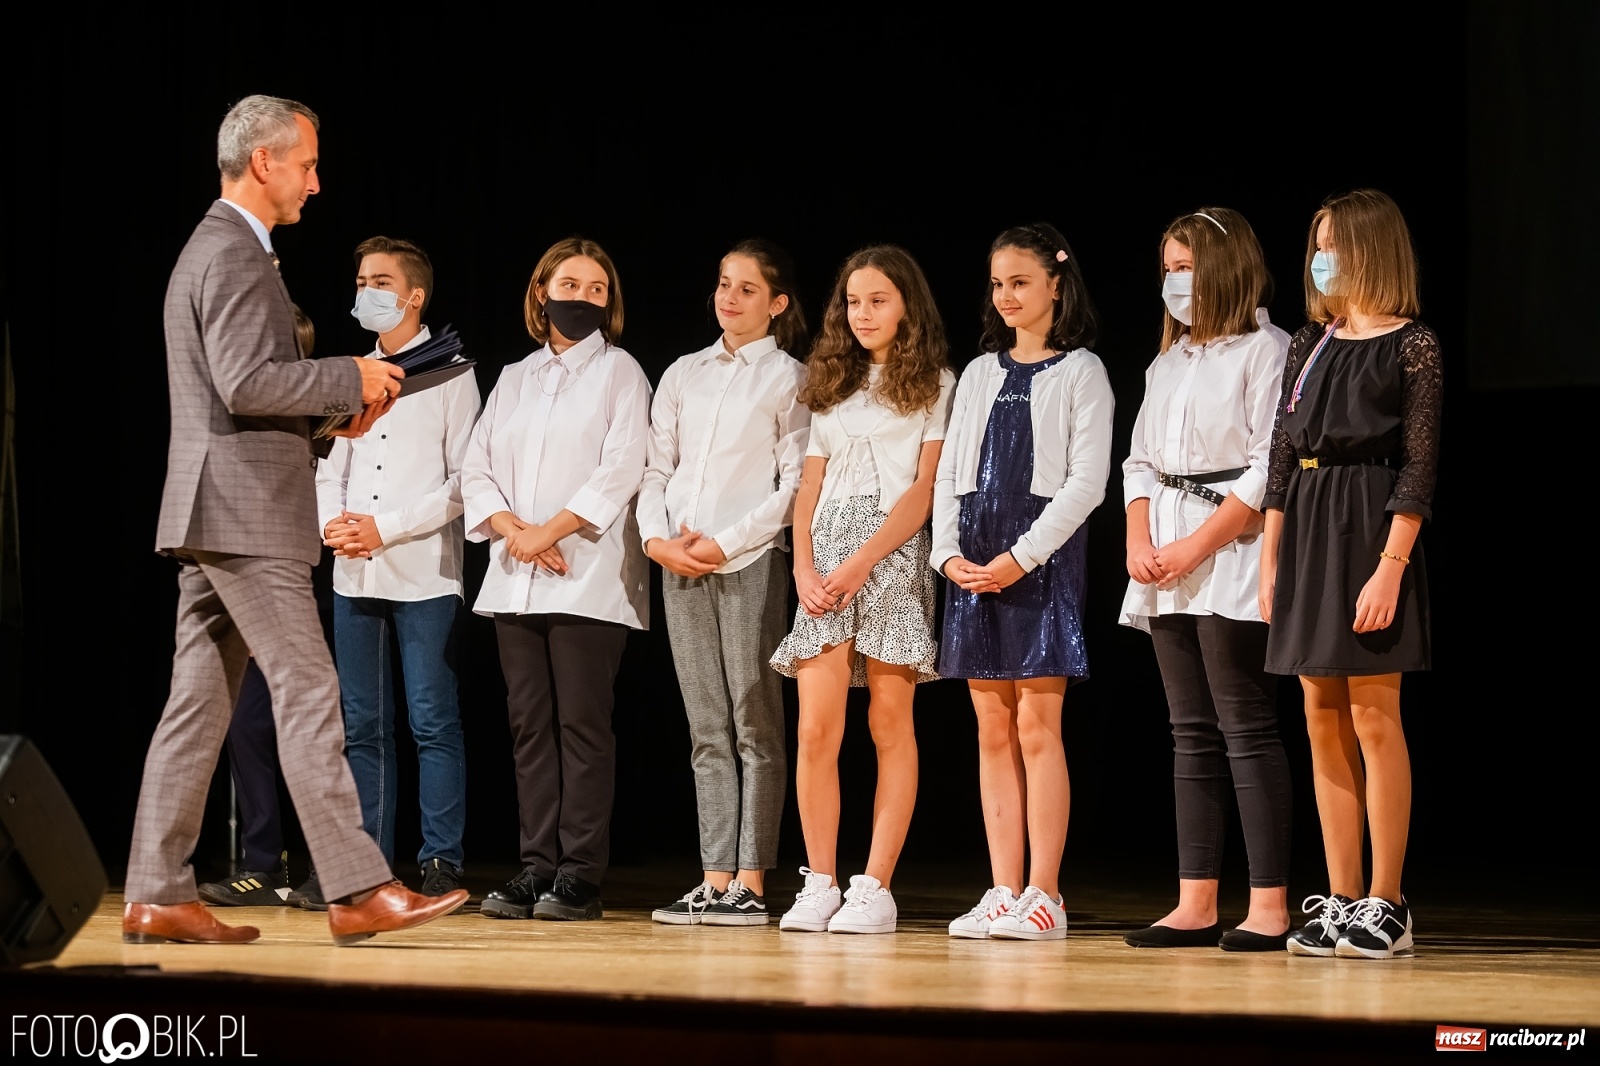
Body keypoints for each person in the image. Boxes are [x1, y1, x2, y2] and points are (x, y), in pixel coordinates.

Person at [125, 94, 467, 945]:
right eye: (307, 164)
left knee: (196, 704)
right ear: (265, 161)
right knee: (311, 690)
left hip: (215, 502)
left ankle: (158, 889)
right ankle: (356, 887)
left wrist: (329, 416)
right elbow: (245, 382)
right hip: (244, 513)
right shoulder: (236, 252)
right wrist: (347, 379)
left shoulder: (216, 246)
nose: (316, 182)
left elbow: (238, 391)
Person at [1260, 190, 1440, 960]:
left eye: (1332, 243)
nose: (1320, 258)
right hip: (1306, 522)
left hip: (1369, 525)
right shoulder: (1311, 341)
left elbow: (1419, 468)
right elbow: (1278, 453)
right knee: (1318, 716)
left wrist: (1390, 568)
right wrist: (1269, 558)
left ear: (1370, 248)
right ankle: (1339, 896)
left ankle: (1387, 902)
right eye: (1316, 244)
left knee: (1373, 716)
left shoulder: (1414, 345)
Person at [1118, 208, 1294, 951]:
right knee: (1189, 732)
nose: (1174, 281)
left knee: (1244, 726)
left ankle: (1269, 905)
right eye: (1167, 268)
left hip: (1228, 549)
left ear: (1225, 267)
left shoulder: (1268, 349)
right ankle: (1195, 900)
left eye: (1185, 266)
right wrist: (1139, 540)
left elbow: (1265, 466)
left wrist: (1195, 544)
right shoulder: (1168, 362)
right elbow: (1138, 461)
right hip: (1164, 553)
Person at [463, 237, 651, 922]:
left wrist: (551, 530)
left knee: (581, 726)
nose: (583, 298)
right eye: (570, 284)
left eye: (597, 289)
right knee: (528, 728)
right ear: (542, 291)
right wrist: (516, 531)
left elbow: (622, 466)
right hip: (517, 575)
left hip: (587, 577)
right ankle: (535, 864)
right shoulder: (514, 376)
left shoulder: (621, 372)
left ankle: (579, 873)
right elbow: (475, 464)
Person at [935, 223, 1112, 942]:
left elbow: (1087, 483)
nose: (1006, 295)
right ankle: (1003, 886)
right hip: (973, 559)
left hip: (1039, 558)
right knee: (989, 729)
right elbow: (950, 475)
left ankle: (1045, 892)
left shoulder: (1082, 372)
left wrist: (1024, 556)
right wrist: (948, 557)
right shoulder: (979, 372)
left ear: (1055, 286)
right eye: (999, 283)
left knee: (1037, 727)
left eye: (1021, 282)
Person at [770, 245, 954, 935]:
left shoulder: (936, 382)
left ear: (906, 303)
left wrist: (867, 562)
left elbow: (925, 489)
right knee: (816, 728)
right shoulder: (832, 384)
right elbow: (809, 487)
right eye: (853, 301)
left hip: (894, 552)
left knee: (888, 724)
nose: (863, 313)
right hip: (825, 560)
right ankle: (818, 880)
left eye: (878, 299)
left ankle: (874, 885)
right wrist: (805, 569)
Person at [640, 241, 810, 926]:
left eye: (746, 289)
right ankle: (713, 878)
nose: (729, 298)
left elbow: (796, 483)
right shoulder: (684, 373)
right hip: (680, 564)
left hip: (749, 562)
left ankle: (752, 879)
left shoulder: (790, 378)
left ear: (776, 302)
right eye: (723, 284)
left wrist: (728, 541)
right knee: (705, 725)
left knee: (754, 722)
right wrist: (659, 542)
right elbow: (656, 470)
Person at [317, 236, 481, 900]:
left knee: (430, 717)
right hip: (353, 570)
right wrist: (333, 524)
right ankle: (365, 863)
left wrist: (384, 527)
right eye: (360, 281)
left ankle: (440, 857)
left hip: (422, 570)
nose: (366, 293)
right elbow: (332, 463)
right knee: (360, 723)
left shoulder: (451, 374)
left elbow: (466, 481)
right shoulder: (351, 370)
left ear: (414, 295)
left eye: (380, 281)